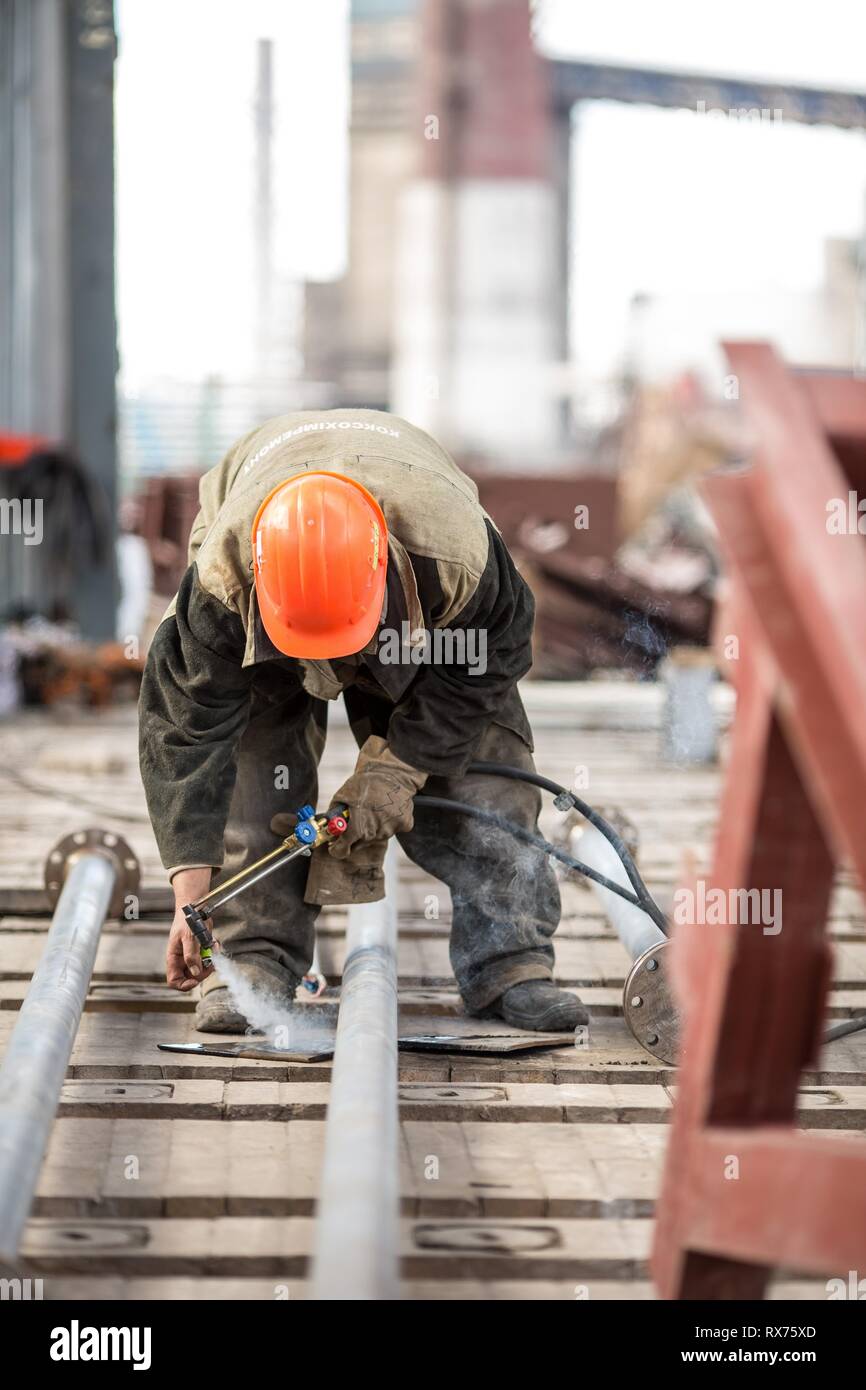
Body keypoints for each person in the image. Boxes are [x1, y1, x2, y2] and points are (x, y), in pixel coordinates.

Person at [139, 409, 586, 1034]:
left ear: (385, 575)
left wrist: (400, 770)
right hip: (261, 575)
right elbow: (186, 734)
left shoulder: (458, 562)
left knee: (487, 774)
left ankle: (511, 963)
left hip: (420, 602)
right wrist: (190, 898)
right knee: (253, 765)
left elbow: (490, 664)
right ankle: (250, 960)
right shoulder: (223, 585)